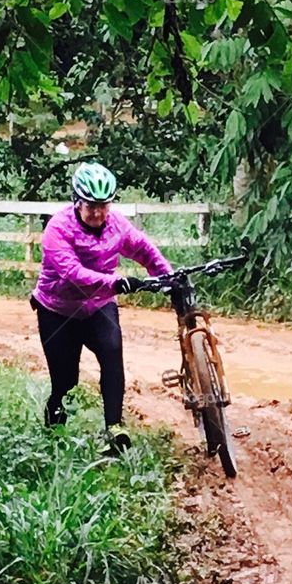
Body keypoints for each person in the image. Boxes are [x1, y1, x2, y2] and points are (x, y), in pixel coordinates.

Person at [31, 162, 172, 451]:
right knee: (65, 382)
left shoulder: (116, 224)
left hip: (98, 308)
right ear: (77, 201)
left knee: (112, 355)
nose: (97, 213)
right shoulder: (58, 229)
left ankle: (114, 430)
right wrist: (115, 282)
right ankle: (54, 441)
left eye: (103, 205)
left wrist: (167, 277)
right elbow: (73, 274)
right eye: (90, 205)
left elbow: (143, 250)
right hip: (58, 311)